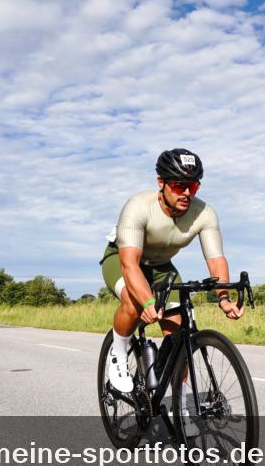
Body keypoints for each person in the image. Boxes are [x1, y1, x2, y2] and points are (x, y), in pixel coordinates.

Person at [100, 148, 243, 408]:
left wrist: (223, 298)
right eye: (179, 186)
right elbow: (128, 263)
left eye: (193, 186)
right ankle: (118, 352)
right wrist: (146, 302)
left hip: (162, 267)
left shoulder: (204, 214)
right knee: (133, 305)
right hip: (121, 260)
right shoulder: (138, 207)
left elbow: (216, 260)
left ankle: (183, 405)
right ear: (161, 183)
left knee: (178, 335)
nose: (187, 193)